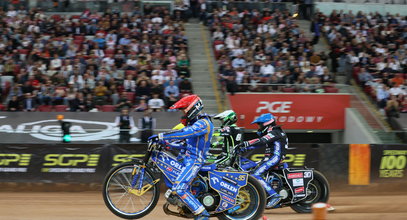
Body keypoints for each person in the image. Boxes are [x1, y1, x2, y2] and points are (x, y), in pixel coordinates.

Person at [149, 95, 214, 220]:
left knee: (179, 188)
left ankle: (202, 214)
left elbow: (185, 133)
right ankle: (186, 206)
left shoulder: (203, 123)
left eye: (184, 110)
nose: (183, 114)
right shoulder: (196, 123)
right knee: (171, 178)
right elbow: (184, 143)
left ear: (193, 108)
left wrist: (162, 136)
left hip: (195, 161)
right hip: (187, 159)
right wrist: (166, 143)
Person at [236, 113, 288, 209]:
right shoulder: (273, 133)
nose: (259, 127)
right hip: (270, 158)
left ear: (267, 123)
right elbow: (259, 144)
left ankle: (274, 195)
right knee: (249, 167)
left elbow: (262, 140)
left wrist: (245, 143)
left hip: (275, 157)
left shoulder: (275, 132)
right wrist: (243, 149)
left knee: (255, 174)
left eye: (260, 124)